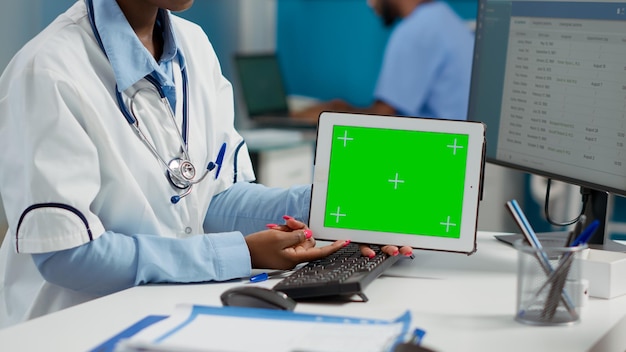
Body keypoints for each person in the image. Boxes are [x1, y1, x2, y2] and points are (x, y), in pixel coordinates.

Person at [0, 0, 411, 328]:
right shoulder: (49, 69)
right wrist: (239, 255)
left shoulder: (193, 45)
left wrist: (332, 209)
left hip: (165, 314)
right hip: (70, 328)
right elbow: (66, 256)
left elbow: (212, 200)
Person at [292, 0, 474, 122]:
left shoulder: (417, 30)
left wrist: (329, 113)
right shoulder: (445, 18)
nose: (369, 3)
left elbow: (380, 118)